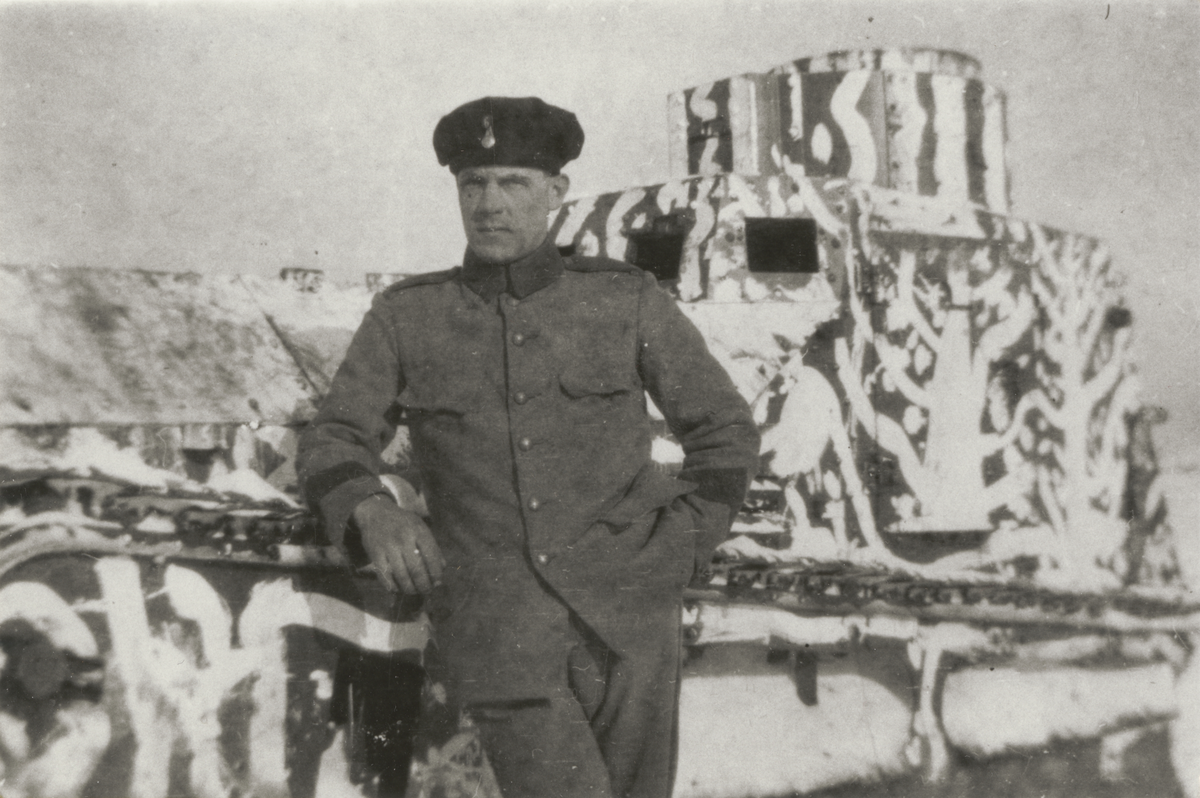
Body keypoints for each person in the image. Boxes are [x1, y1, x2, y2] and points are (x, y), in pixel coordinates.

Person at [297, 96, 760, 798]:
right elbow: (334, 435)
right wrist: (372, 510)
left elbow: (723, 430)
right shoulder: (407, 316)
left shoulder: (624, 299)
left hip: (632, 617)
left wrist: (685, 543)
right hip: (498, 627)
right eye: (473, 184)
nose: (490, 204)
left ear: (555, 190)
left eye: (513, 182)